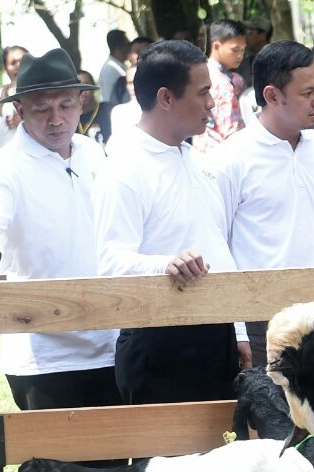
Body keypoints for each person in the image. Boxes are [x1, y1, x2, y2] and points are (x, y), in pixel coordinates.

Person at [0, 48, 119, 412]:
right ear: (20, 109)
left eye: (65, 105)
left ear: (81, 102)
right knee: (54, 449)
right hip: (43, 352)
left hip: (109, 339)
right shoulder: (5, 167)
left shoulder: (94, 153)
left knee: (115, 448)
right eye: (42, 109)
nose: (56, 119)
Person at [94, 39, 248, 405]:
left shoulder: (198, 161)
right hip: (159, 340)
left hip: (216, 334)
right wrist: (165, 265)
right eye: (203, 92)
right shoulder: (123, 169)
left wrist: (238, 329)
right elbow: (110, 262)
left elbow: (217, 247)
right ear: (165, 98)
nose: (211, 103)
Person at [210, 41, 314, 368]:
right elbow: (217, 245)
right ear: (271, 95)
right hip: (262, 322)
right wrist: (237, 329)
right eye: (307, 92)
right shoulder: (230, 158)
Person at [194, 19, 246, 155]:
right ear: (217, 46)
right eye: (235, 50)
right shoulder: (222, 82)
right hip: (223, 152)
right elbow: (231, 129)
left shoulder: (198, 73)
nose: (240, 55)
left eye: (243, 50)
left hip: (201, 150)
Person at [106, 64, 140, 155]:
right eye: (129, 83)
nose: (133, 86)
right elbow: (113, 148)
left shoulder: (159, 110)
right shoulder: (119, 112)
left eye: (137, 81)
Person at [75, 69, 113, 146]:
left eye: (86, 85)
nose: (82, 91)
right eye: (78, 87)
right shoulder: (68, 116)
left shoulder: (109, 110)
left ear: (94, 87)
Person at [99, 30, 132, 106]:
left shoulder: (119, 65)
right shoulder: (109, 71)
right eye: (127, 44)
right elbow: (110, 100)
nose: (130, 48)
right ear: (119, 47)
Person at [237, 17, 271, 88]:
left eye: (250, 33)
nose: (246, 36)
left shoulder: (276, 61)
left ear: (262, 36)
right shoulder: (244, 61)